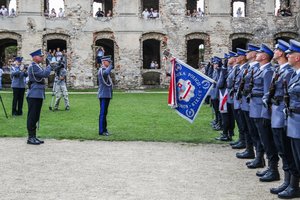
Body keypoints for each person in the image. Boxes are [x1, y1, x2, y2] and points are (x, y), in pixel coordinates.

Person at [250, 44, 279, 182]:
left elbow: (268, 94)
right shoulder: (260, 70)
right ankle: (267, 165)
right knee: (261, 138)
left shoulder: (267, 71)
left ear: (265, 56)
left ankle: (273, 168)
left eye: (260, 52)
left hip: (262, 110)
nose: (256, 54)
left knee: (267, 140)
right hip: (256, 107)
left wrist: (265, 113)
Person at [279, 39, 300, 199]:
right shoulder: (295, 75)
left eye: (290, 54)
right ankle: (293, 185)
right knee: (294, 155)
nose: (288, 56)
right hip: (293, 121)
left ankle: (294, 186)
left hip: (298, 121)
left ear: (297, 57)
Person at [26, 49, 52, 145]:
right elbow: (44, 75)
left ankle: (34, 136)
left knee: (36, 116)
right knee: (32, 116)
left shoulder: (37, 66)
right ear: (34, 57)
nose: (42, 57)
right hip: (34, 94)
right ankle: (30, 137)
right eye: (40, 56)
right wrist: (50, 66)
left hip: (38, 94)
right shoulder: (33, 66)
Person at [98, 55, 114, 136]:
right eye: (108, 61)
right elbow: (106, 73)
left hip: (106, 95)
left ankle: (105, 129)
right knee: (103, 113)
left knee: (105, 113)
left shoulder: (104, 69)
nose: (110, 63)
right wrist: (111, 66)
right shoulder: (102, 70)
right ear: (104, 62)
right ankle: (101, 131)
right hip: (103, 95)